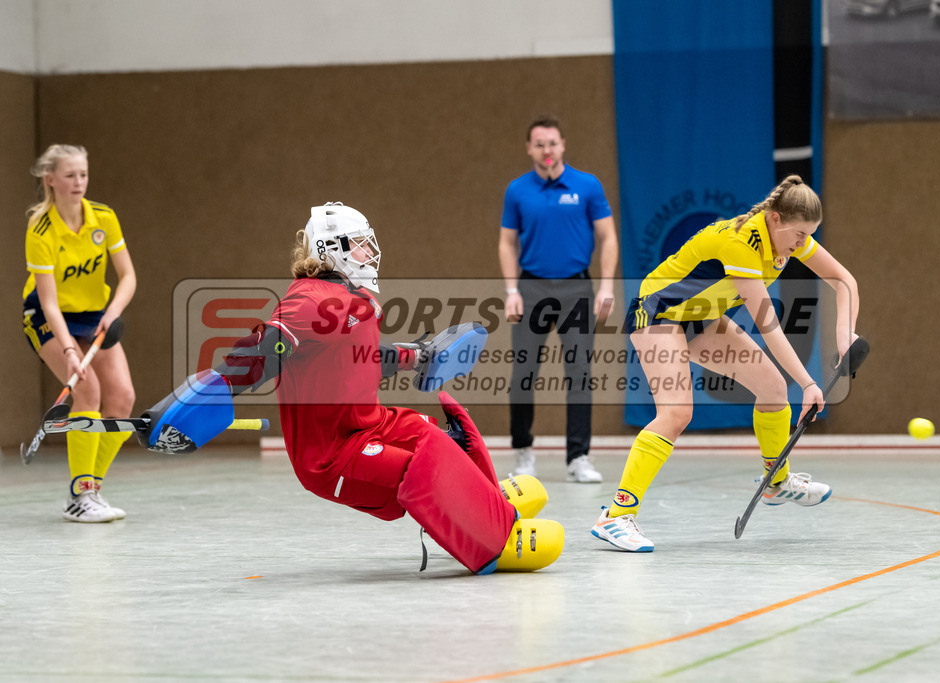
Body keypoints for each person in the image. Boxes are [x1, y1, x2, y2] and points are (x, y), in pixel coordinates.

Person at [157, 202, 563, 574]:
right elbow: (263, 350)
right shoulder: (310, 299)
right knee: (427, 465)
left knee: (447, 434)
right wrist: (212, 393)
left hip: (371, 423)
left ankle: (488, 503)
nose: (371, 254)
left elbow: (362, 359)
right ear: (332, 249)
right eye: (361, 246)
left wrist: (417, 355)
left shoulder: (353, 300)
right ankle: (494, 541)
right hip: (332, 453)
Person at [591, 175, 860, 552]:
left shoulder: (787, 238)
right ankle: (616, 516)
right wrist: (809, 383)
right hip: (659, 312)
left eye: (809, 236)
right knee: (676, 412)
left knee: (772, 388)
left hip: (702, 315)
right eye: (799, 235)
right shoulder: (741, 244)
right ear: (775, 220)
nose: (803, 244)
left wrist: (844, 334)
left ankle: (777, 484)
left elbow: (844, 280)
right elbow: (768, 325)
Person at [499, 115, 619, 483]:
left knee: (579, 374)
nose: (546, 150)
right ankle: (523, 454)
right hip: (531, 289)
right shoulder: (518, 191)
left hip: (577, 290)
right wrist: (512, 291)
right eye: (539, 144)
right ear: (529, 149)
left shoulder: (587, 186)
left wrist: (606, 286)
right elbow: (506, 242)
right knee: (524, 372)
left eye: (552, 143)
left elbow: (608, 237)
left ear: (563, 144)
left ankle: (578, 458)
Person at [22, 144, 137, 523]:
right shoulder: (40, 230)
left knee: (121, 399)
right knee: (87, 391)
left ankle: (90, 489)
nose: (79, 182)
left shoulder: (104, 217)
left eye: (83, 174)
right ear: (50, 179)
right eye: (70, 175)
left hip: (95, 314)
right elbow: (49, 302)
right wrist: (70, 349)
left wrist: (113, 313)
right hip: (47, 315)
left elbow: (127, 276)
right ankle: (80, 495)